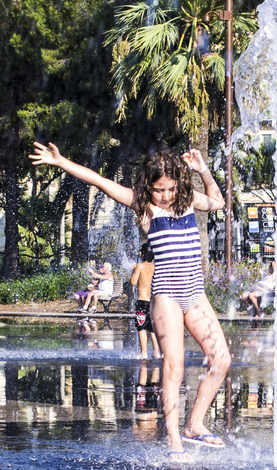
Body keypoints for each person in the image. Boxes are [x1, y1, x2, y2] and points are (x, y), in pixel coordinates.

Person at [31, 141, 229, 454]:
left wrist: (203, 169)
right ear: (148, 186)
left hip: (194, 292)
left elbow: (218, 201)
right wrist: (61, 162)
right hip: (167, 296)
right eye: (158, 189)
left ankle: (195, 424)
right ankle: (174, 438)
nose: (165, 195)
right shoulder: (143, 205)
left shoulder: (189, 200)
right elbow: (99, 180)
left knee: (222, 359)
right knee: (173, 364)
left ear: (180, 182)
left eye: (170, 188)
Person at [129, 247, 154, 359]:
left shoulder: (140, 266)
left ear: (142, 254)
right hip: (153, 301)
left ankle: (144, 353)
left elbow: (133, 282)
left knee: (142, 327)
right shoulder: (155, 267)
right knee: (152, 327)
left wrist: (134, 270)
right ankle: (157, 352)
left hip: (142, 301)